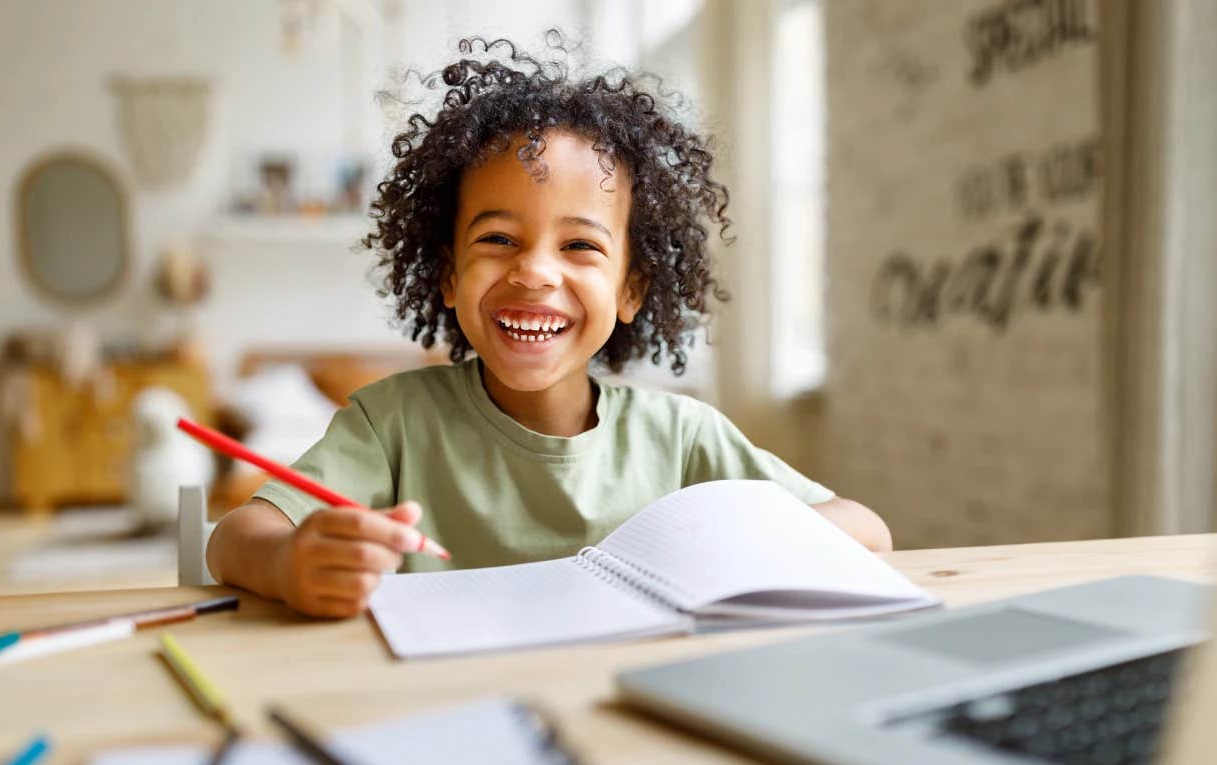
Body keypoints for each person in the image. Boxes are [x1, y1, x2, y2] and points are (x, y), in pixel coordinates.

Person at [206, 34, 892, 619]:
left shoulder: (684, 437)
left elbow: (867, 531)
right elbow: (235, 536)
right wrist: (289, 561)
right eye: (499, 238)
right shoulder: (392, 424)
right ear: (448, 275)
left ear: (631, 288)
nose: (534, 272)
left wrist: (733, 546)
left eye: (580, 246)